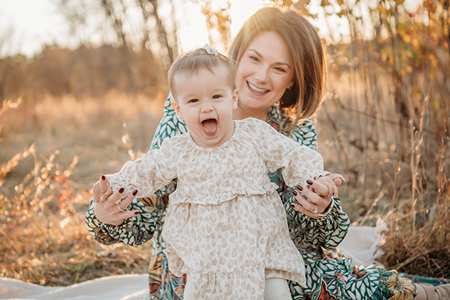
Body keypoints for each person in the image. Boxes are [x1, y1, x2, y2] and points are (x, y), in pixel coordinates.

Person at [86, 6, 449, 300]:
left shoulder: (289, 130)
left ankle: (419, 293)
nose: (261, 76)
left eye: (279, 68)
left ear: (293, 79)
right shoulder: (189, 111)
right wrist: (109, 214)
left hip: (266, 252)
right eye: (254, 58)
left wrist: (319, 207)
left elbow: (312, 233)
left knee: (331, 281)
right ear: (237, 56)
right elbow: (146, 203)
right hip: (197, 264)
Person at [95, 46, 337, 299]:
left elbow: (292, 154)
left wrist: (315, 177)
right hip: (206, 257)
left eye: (216, 97)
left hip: (259, 245)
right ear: (179, 110)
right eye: (194, 100)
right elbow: (146, 170)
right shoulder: (178, 149)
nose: (207, 108)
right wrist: (113, 186)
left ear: (233, 98)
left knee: (276, 291)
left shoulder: (254, 134)